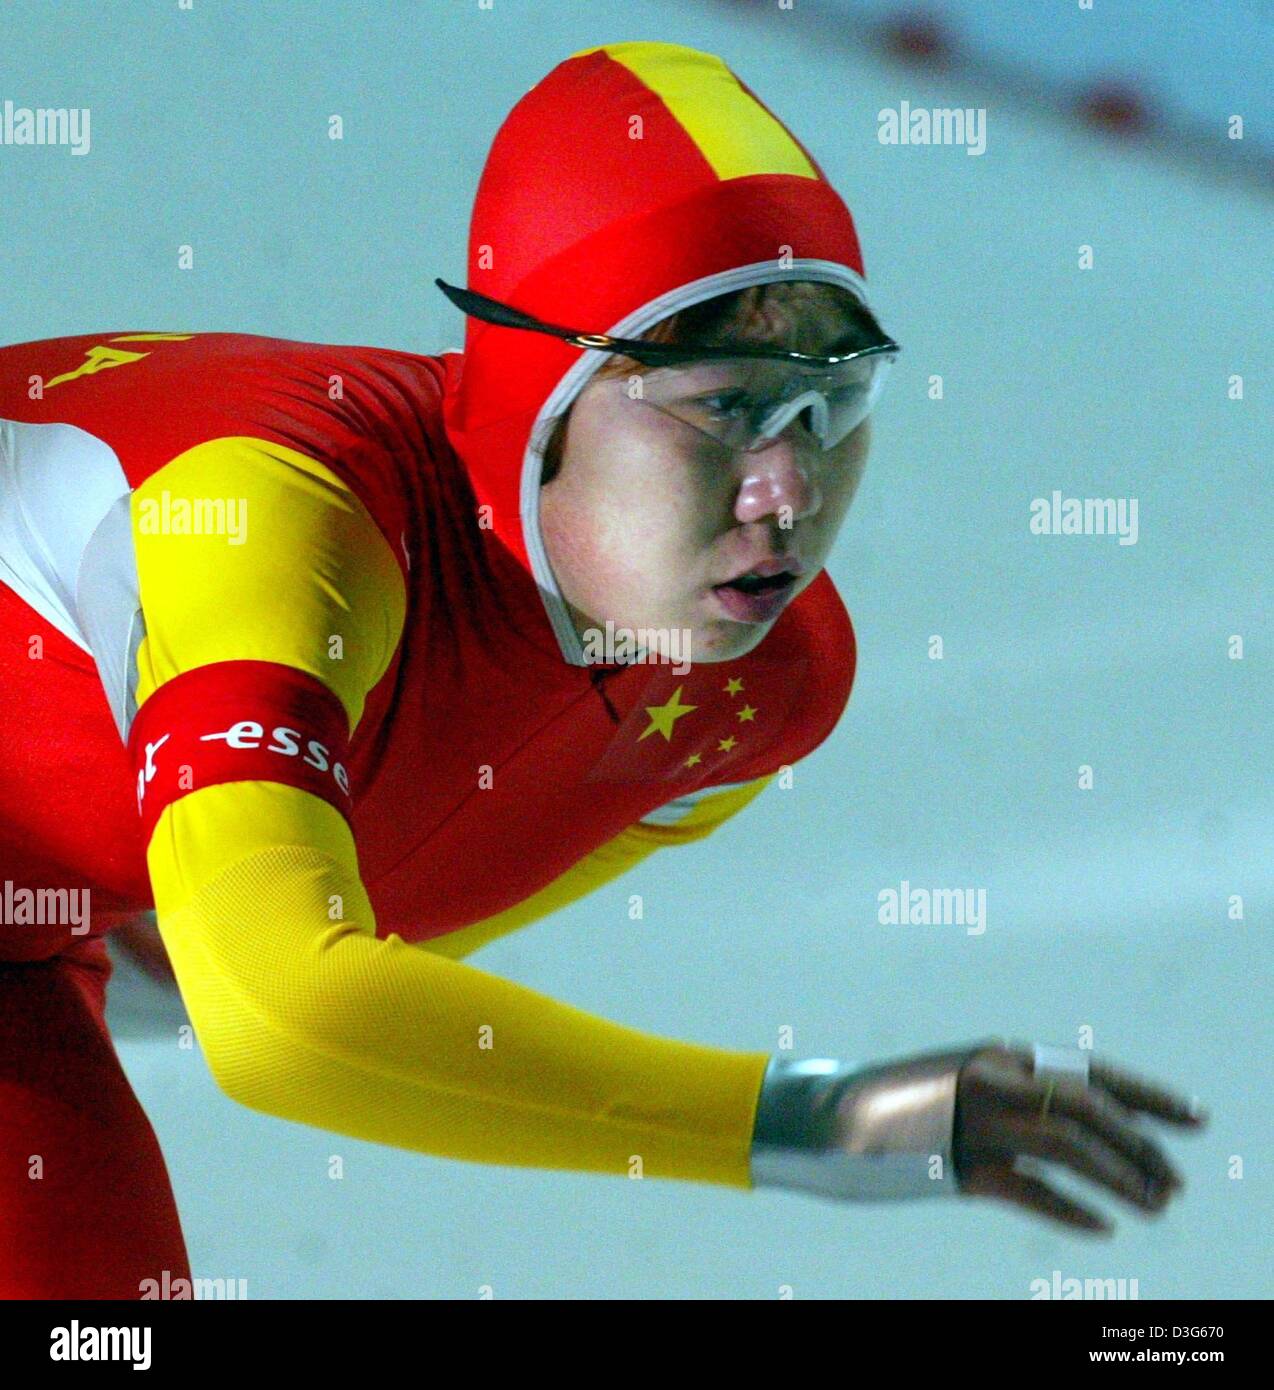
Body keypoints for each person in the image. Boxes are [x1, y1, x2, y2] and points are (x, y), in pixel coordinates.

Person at [0, 41, 1205, 1299]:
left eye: (829, 403)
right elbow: (281, 1015)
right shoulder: (268, 519)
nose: (785, 490)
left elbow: (272, 964)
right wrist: (809, 1118)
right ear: (544, 396)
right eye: (721, 405)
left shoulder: (760, 694)